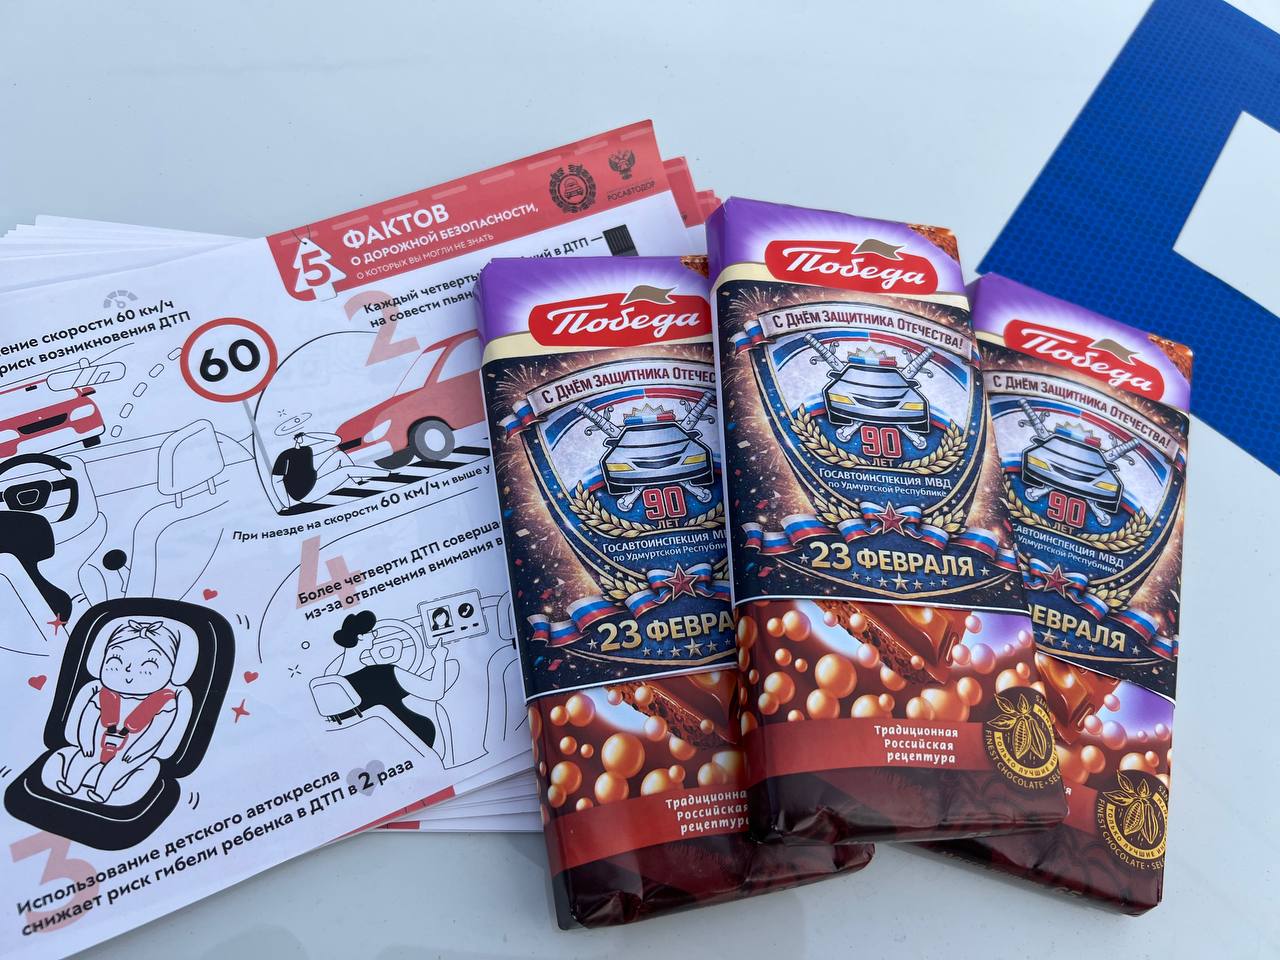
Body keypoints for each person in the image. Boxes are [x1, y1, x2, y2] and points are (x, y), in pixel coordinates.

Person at [57, 619, 181, 803]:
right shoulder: (103, 695)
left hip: (133, 749)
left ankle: (101, 793)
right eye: (115, 661)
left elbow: (156, 732)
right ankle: (70, 784)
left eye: (148, 666)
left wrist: (138, 750)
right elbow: (88, 719)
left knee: (117, 767)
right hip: (96, 743)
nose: (129, 672)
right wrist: (86, 742)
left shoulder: (165, 703)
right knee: (82, 758)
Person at [326, 609, 448, 749]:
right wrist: (439, 659)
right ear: (360, 637)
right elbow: (435, 692)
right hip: (413, 740)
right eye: (372, 632)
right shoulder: (384, 673)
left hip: (371, 747)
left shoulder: (331, 685)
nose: (375, 636)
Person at [270, 432, 389, 508]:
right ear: (295, 439)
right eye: (299, 437)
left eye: (302, 436)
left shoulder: (307, 450)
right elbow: (276, 480)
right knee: (346, 471)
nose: (301, 438)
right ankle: (387, 474)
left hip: (313, 480)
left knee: (339, 455)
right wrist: (286, 505)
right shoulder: (285, 455)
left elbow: (335, 441)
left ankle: (359, 482)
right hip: (306, 493)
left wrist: (310, 435)